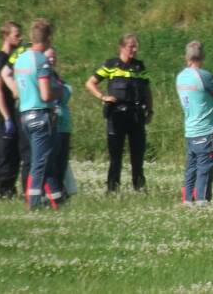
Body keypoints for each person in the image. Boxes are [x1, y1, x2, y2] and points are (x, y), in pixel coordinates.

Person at [85, 33, 153, 192]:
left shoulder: (139, 67)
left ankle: (139, 188)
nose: (134, 50)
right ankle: (112, 189)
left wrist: (150, 111)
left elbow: (147, 91)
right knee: (116, 157)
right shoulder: (111, 65)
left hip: (136, 116)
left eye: (136, 46)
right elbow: (90, 83)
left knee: (138, 156)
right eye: (131, 46)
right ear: (122, 47)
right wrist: (102, 97)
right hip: (116, 116)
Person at [13, 18, 63, 209]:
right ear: (48, 38)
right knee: (39, 162)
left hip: (24, 114)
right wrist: (59, 90)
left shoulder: (20, 59)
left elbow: (17, 91)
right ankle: (33, 203)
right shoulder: (41, 60)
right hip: (40, 115)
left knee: (45, 159)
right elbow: (45, 93)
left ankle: (57, 201)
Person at [176, 40, 213, 206]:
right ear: (202, 56)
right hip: (206, 129)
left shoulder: (180, 77)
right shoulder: (204, 76)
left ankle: (187, 200)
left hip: (190, 130)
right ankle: (202, 201)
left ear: (186, 57)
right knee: (206, 166)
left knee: (191, 168)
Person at [0, 21, 30, 199]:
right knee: (4, 152)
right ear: (6, 36)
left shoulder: (15, 59)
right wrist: (6, 117)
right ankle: (1, 189)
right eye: (16, 35)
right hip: (3, 112)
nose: (20, 38)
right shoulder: (0, 59)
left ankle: (11, 189)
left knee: (14, 152)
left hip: (14, 111)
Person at [46, 48, 73, 203]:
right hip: (53, 126)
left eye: (54, 57)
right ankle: (53, 198)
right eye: (49, 57)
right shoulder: (44, 77)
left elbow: (64, 93)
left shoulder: (56, 77)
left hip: (64, 126)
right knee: (53, 164)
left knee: (62, 164)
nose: (52, 60)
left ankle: (61, 195)